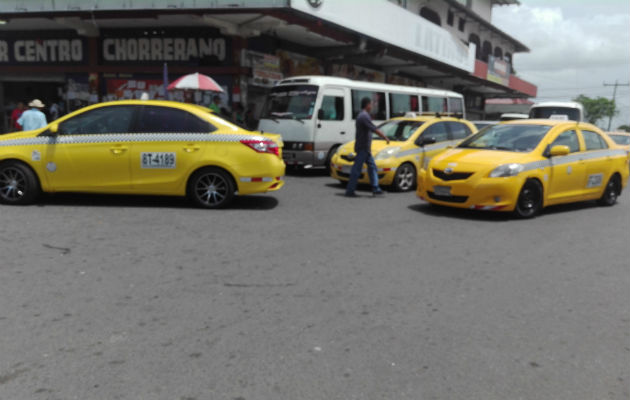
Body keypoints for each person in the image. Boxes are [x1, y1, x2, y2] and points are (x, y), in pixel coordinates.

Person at [345, 97, 390, 197]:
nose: (372, 106)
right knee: (356, 169)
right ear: (367, 105)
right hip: (363, 147)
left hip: (365, 147)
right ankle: (350, 190)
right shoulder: (364, 116)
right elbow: (374, 129)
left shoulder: (362, 115)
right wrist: (385, 137)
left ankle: (375, 188)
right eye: (371, 104)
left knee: (372, 167)